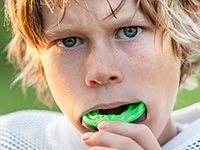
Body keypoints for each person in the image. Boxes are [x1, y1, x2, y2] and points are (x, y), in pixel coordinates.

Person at [1, 0, 200, 149]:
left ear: (192, 24)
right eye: (69, 41)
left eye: (129, 31)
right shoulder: (11, 140)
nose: (100, 72)